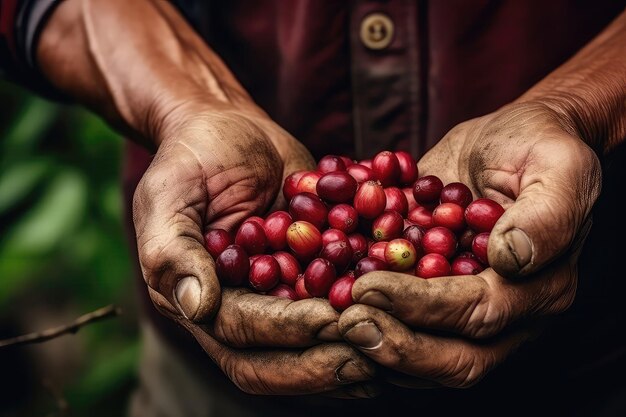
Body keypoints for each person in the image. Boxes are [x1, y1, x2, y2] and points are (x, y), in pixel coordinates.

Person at [2, 0, 625, 415]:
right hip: (214, 392)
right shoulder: (362, 226)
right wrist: (187, 103)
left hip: (583, 368)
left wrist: (579, 106)